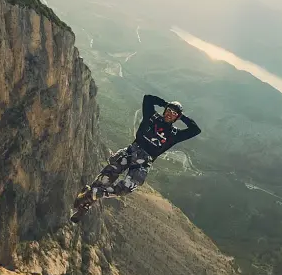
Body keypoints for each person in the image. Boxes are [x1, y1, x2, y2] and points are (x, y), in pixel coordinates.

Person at [71, 94, 201, 222]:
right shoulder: (152, 117)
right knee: (105, 179)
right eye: (169, 111)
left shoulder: (175, 134)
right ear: (165, 110)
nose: (170, 114)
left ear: (176, 117)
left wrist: (181, 115)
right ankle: (84, 206)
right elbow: (148, 98)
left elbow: (195, 130)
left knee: (124, 189)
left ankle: (92, 194)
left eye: (174, 114)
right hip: (130, 151)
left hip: (143, 163)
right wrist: (166, 103)